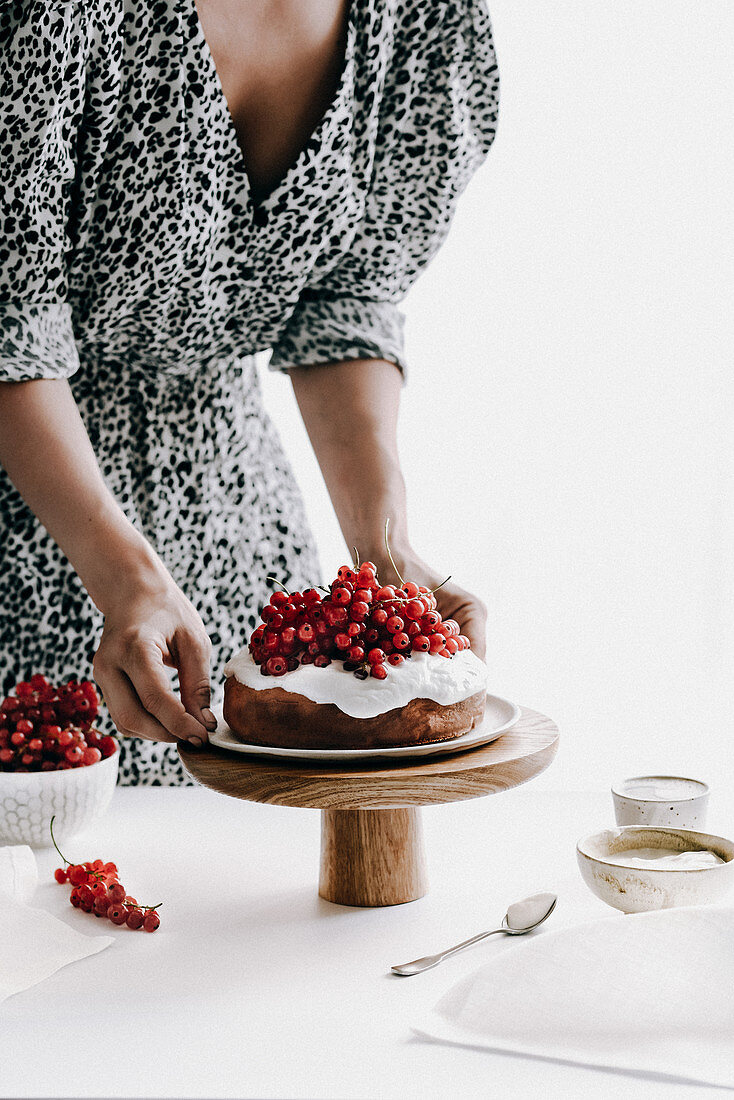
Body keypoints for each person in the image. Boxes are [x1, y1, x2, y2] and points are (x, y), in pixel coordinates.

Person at [0, 0, 499, 784]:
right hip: (32, 523)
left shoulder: (424, 18)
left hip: (242, 527)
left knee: (253, 875)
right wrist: (123, 572)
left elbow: (345, 309)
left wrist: (385, 546)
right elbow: (11, 324)